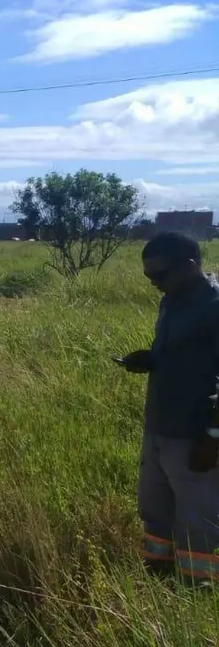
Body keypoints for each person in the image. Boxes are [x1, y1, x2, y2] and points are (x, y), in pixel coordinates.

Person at [118, 231, 219, 585]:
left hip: (196, 436)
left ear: (190, 266)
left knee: (198, 519)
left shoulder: (215, 306)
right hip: (160, 426)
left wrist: (213, 436)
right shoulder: (171, 300)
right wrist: (149, 359)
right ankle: (157, 578)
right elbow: (180, 354)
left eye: (160, 276)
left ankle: (197, 588)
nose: (154, 285)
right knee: (155, 509)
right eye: (149, 278)